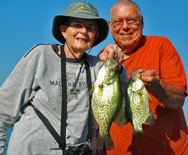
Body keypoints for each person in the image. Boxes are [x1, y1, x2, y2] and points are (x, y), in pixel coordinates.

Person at [0, 1, 129, 155]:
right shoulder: (40, 56)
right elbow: (4, 108)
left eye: (90, 28)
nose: (83, 31)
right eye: (77, 25)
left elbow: (124, 92)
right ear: (63, 31)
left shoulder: (97, 67)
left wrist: (117, 64)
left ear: (96, 36)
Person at [99, 0, 188, 154]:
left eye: (132, 20)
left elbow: (178, 100)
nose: (125, 27)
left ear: (141, 22)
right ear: (110, 26)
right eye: (118, 22)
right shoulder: (104, 59)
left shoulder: (161, 45)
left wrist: (158, 86)